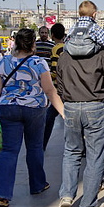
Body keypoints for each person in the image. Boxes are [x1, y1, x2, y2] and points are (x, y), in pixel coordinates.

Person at [0, 28, 64, 207]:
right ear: (33, 45)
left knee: (9, 150)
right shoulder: (38, 62)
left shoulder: (4, 62)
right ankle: (37, 184)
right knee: (35, 147)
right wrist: (63, 112)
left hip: (8, 108)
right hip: (34, 109)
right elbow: (50, 91)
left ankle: (1, 194)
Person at [56, 22, 104, 207]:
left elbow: (59, 84)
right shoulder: (102, 55)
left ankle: (67, 195)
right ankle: (88, 204)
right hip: (96, 106)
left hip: (71, 107)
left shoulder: (64, 56)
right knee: (95, 156)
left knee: (71, 151)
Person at [43, 23, 66, 151]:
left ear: (52, 35)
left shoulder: (55, 48)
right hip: (70, 88)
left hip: (59, 89)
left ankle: (42, 145)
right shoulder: (68, 47)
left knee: (49, 117)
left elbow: (54, 70)